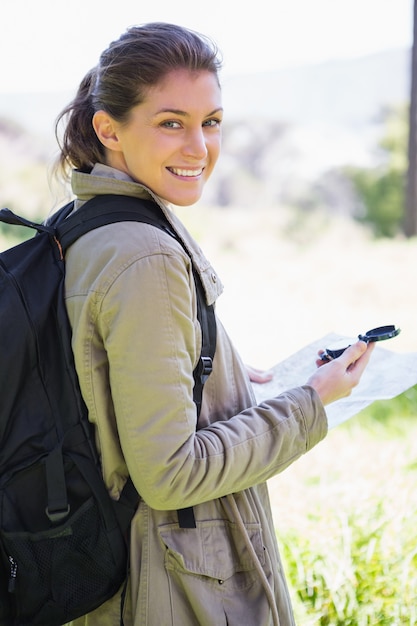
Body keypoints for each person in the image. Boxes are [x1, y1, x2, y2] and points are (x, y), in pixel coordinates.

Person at [55, 22, 374, 626]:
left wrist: (224, 378)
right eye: (171, 122)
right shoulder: (142, 254)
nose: (199, 147)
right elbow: (170, 474)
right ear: (108, 129)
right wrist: (311, 402)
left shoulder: (86, 224)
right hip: (169, 587)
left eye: (211, 121)